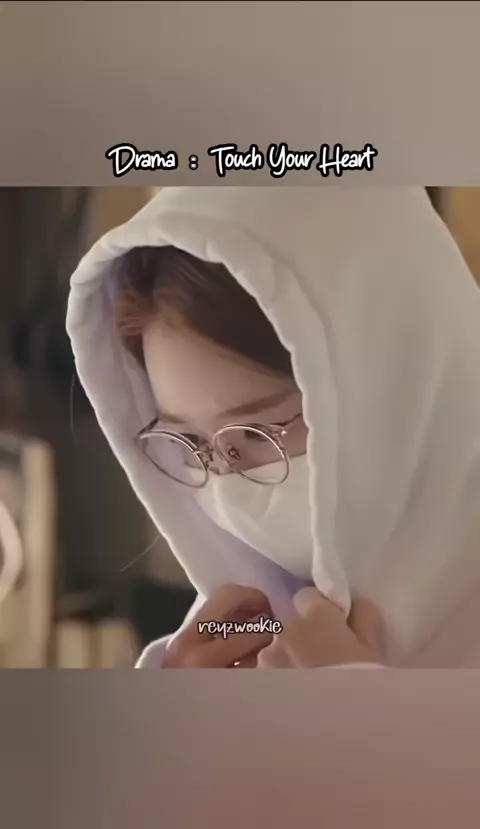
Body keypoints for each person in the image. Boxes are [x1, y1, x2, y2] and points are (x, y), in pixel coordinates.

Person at [68, 187, 480, 668]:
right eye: (192, 443)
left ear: (396, 395)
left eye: (254, 435)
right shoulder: (245, 628)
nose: (229, 492)